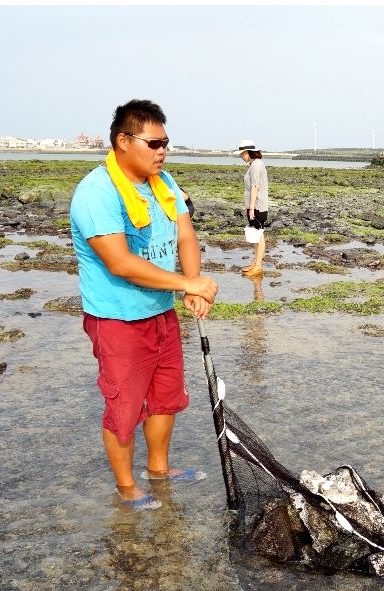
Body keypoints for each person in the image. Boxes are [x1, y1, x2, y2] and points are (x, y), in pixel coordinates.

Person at [70, 99, 219, 511]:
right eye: (154, 143)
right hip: (117, 319)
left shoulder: (164, 183)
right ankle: (126, 487)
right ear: (123, 141)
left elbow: (185, 235)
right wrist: (186, 282)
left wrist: (190, 285)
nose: (162, 152)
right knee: (124, 405)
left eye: (166, 143)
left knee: (165, 396)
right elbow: (120, 263)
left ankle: (158, 469)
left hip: (161, 312)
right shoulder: (96, 193)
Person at [234, 139, 269, 277]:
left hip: (258, 206)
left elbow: (255, 187)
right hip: (254, 206)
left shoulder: (256, 165)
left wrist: (252, 208)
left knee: (258, 235)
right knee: (255, 234)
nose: (241, 156)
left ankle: (258, 266)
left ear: (249, 152)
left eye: (242, 153)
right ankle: (255, 263)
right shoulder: (254, 164)